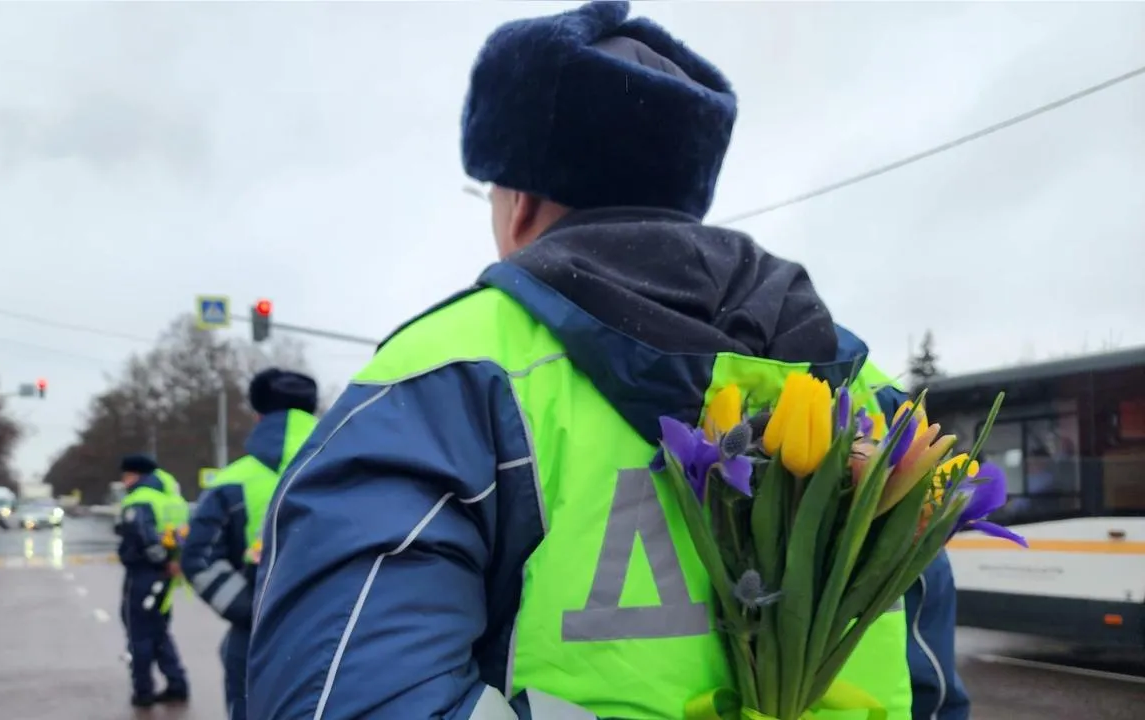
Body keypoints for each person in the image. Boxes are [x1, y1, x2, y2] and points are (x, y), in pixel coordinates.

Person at [246, 3, 966, 719]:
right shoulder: (869, 403)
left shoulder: (448, 377)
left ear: (519, 199)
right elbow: (928, 680)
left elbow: (342, 698)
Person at [180, 369, 319, 720]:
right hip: (333, 633)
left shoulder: (232, 481)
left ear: (259, 416)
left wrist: (250, 611)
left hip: (255, 640)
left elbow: (198, 558)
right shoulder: (353, 468)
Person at [116, 453, 190, 707]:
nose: (124, 481)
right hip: (166, 576)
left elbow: (145, 538)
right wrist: (173, 562)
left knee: (139, 632)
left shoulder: (139, 500)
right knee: (158, 629)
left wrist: (161, 561)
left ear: (135, 475)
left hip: (144, 574)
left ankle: (143, 691)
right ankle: (177, 683)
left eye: (125, 475)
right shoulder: (171, 498)